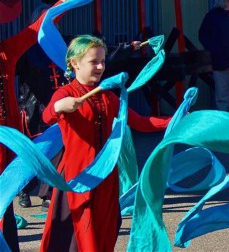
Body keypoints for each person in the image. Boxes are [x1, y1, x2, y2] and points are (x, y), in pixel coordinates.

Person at [40, 35, 171, 252]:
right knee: (80, 235)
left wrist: (174, 120)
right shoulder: (67, 93)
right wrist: (61, 105)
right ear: (75, 63)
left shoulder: (107, 96)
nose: (101, 66)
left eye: (102, 61)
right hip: (78, 177)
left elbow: (140, 122)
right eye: (94, 62)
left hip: (107, 178)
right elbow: (47, 116)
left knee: (105, 231)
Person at [0, 0, 89, 252]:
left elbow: (36, 29)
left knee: (4, 201)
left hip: (7, 142)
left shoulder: (6, 52)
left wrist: (64, 2)